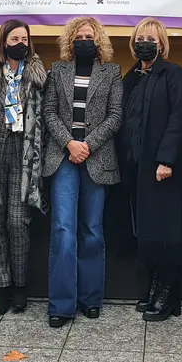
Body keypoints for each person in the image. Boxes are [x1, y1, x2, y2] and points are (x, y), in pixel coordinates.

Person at [43, 16, 123, 328]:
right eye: (79, 36)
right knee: (63, 229)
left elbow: (115, 115)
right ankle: (61, 304)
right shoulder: (57, 70)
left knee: (92, 230)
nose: (84, 40)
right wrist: (69, 143)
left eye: (89, 35)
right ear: (70, 41)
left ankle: (91, 299)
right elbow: (49, 111)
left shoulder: (112, 71)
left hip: (96, 156)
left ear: (98, 39)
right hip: (63, 156)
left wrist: (87, 144)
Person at [119, 18, 182, 322]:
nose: (145, 42)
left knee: (166, 232)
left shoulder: (172, 74)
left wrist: (167, 160)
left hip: (162, 167)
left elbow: (178, 119)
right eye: (140, 38)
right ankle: (154, 288)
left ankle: (168, 294)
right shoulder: (131, 77)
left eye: (151, 38)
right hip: (137, 166)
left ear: (161, 43)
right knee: (147, 231)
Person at [0, 19, 48, 316]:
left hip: (24, 150)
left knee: (18, 222)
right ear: (3, 41)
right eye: (14, 38)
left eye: (24, 38)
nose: (20, 43)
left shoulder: (37, 72)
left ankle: (20, 286)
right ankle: (2, 287)